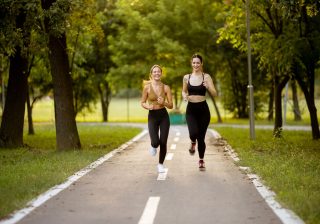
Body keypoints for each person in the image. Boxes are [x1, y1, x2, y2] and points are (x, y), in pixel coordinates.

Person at [182, 54, 217, 171]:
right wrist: (184, 96)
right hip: (191, 110)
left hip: (203, 110)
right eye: (194, 63)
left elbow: (215, 93)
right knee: (193, 133)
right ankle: (192, 142)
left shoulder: (206, 77)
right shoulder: (186, 77)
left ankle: (201, 160)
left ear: (201, 64)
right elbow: (183, 91)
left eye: (198, 63)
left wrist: (208, 87)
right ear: (191, 63)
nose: (196, 65)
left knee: (201, 138)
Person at [141, 65, 173, 173]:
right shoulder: (147, 88)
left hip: (163, 116)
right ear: (151, 74)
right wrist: (148, 106)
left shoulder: (166, 88)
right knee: (155, 142)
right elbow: (142, 102)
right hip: (152, 116)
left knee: (163, 142)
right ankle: (153, 146)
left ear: (161, 73)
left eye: (158, 71)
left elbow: (171, 105)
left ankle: (160, 164)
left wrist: (163, 102)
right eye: (154, 72)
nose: (157, 73)